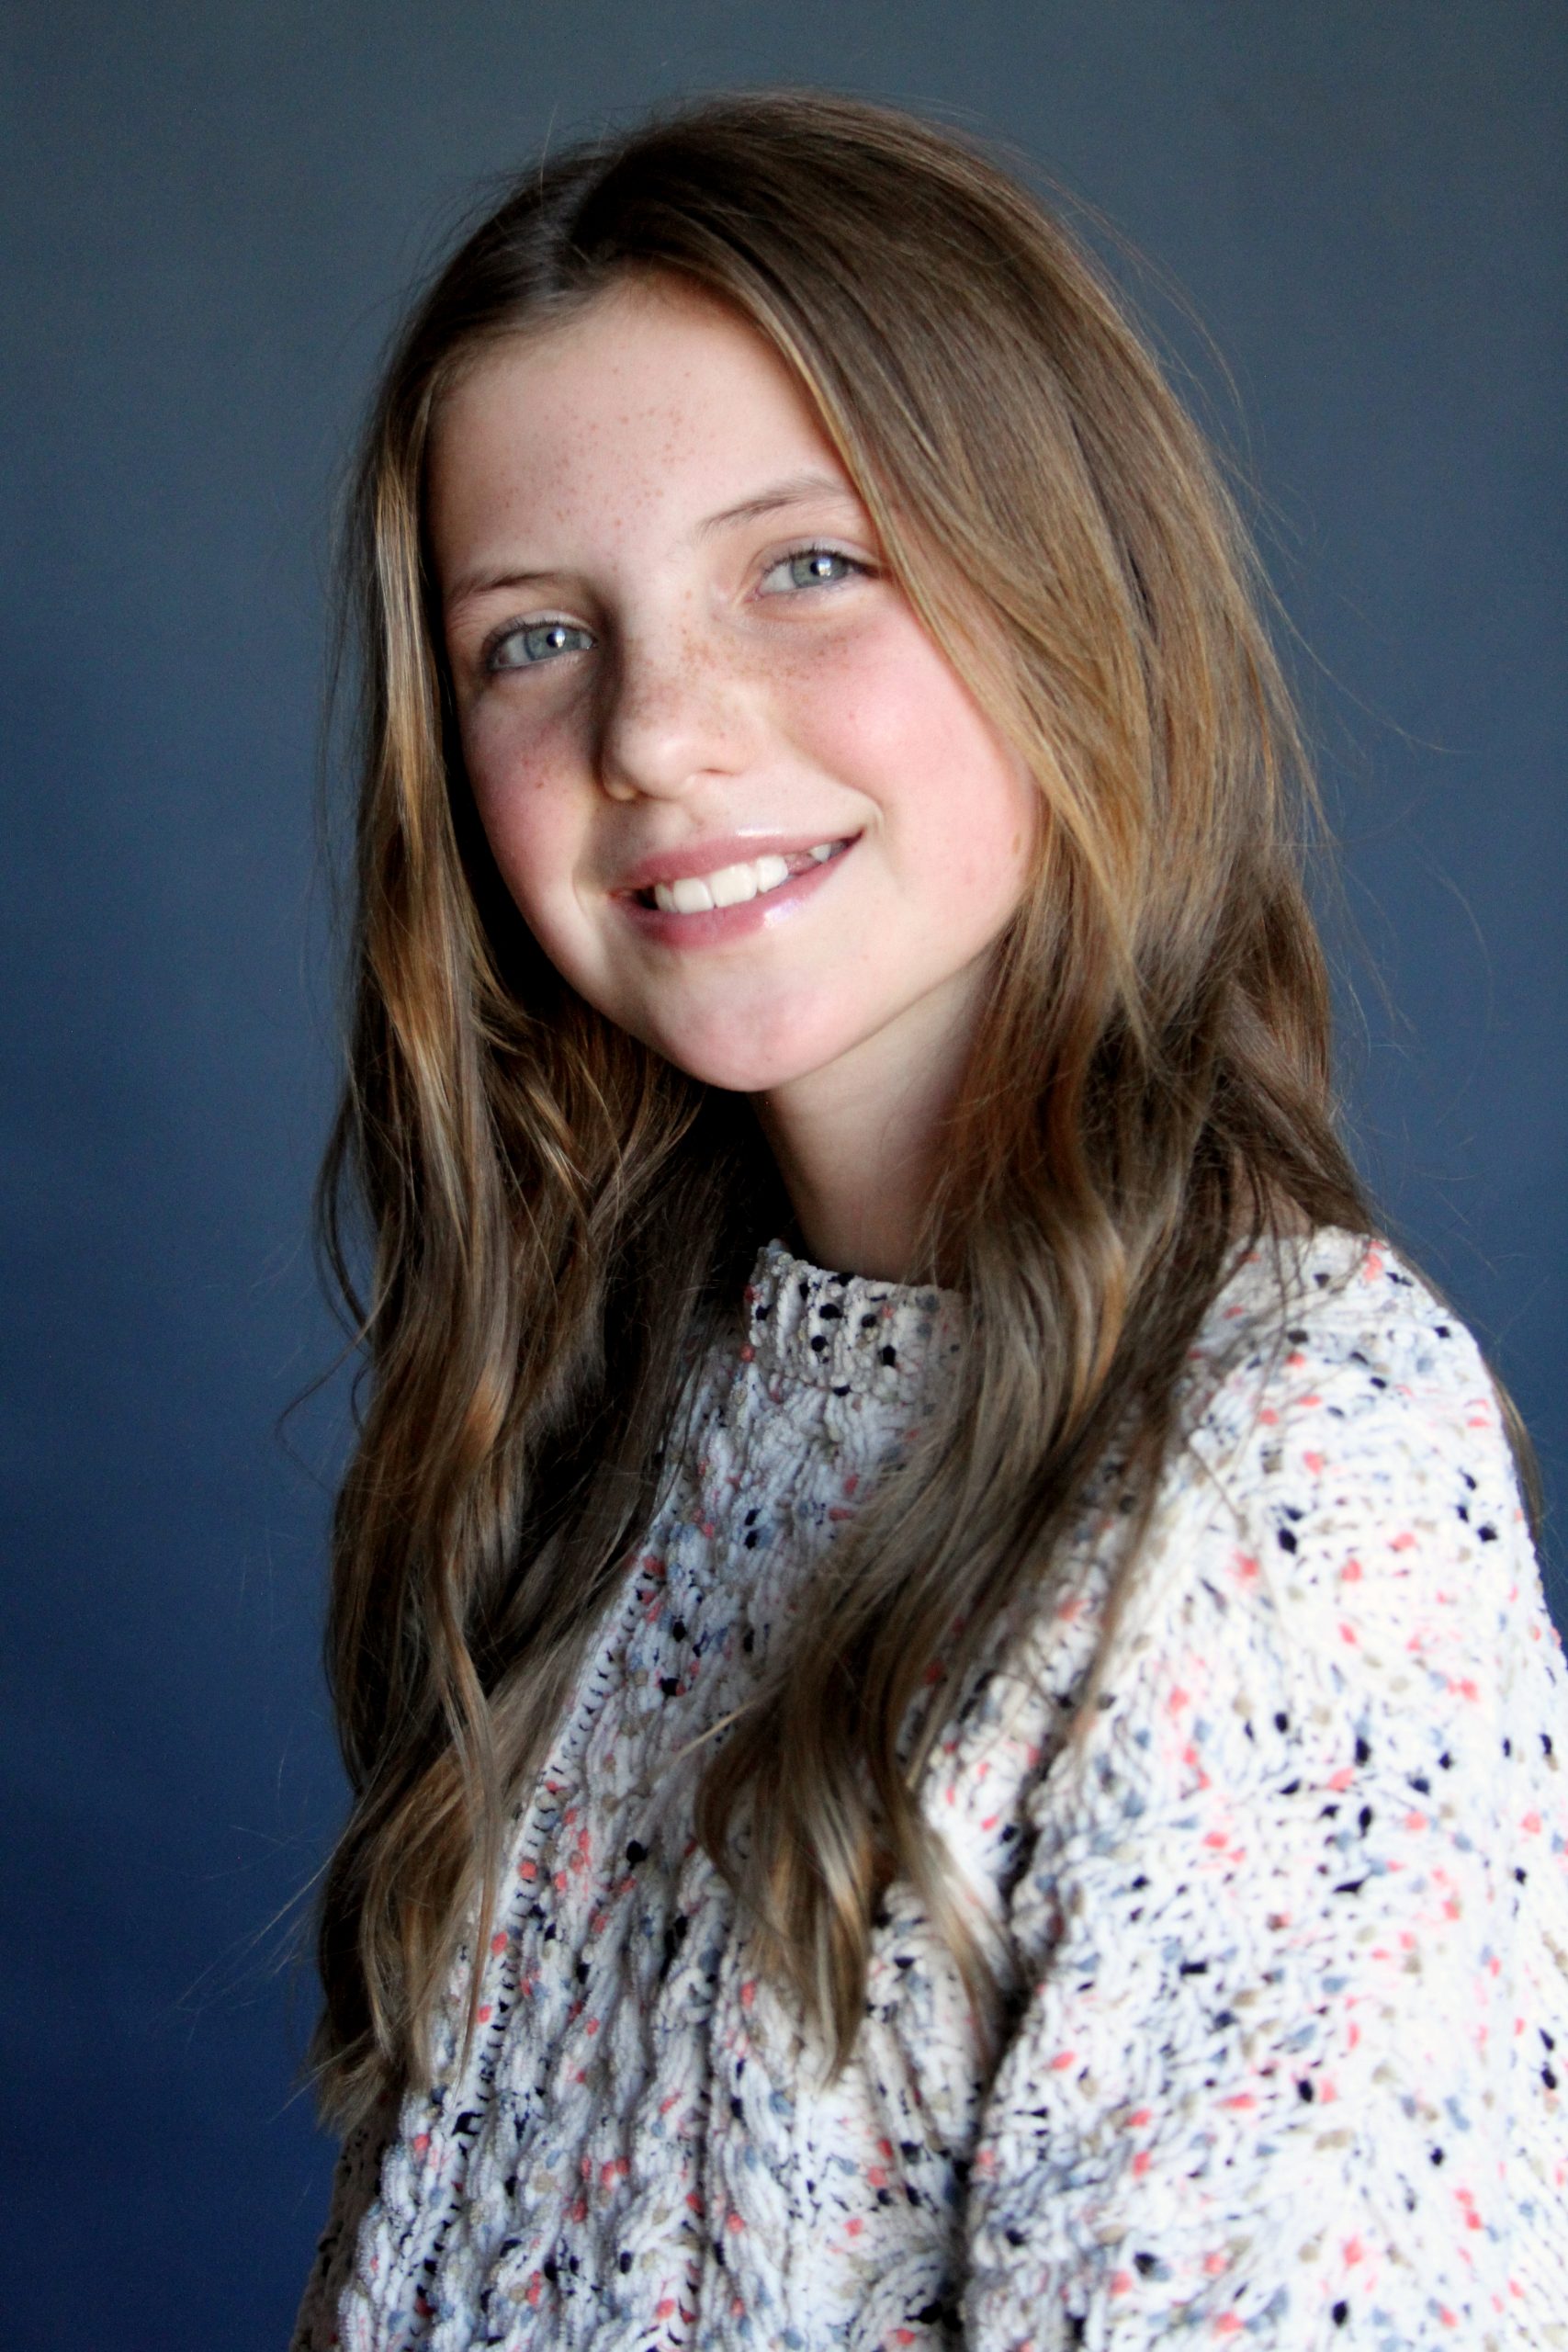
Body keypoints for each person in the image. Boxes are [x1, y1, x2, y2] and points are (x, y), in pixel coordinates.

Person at [291, 91, 1566, 2351]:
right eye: (532, 637)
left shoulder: (1284, 1461)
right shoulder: (625, 1398)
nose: (657, 733)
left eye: (804, 566)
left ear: (1071, 587)